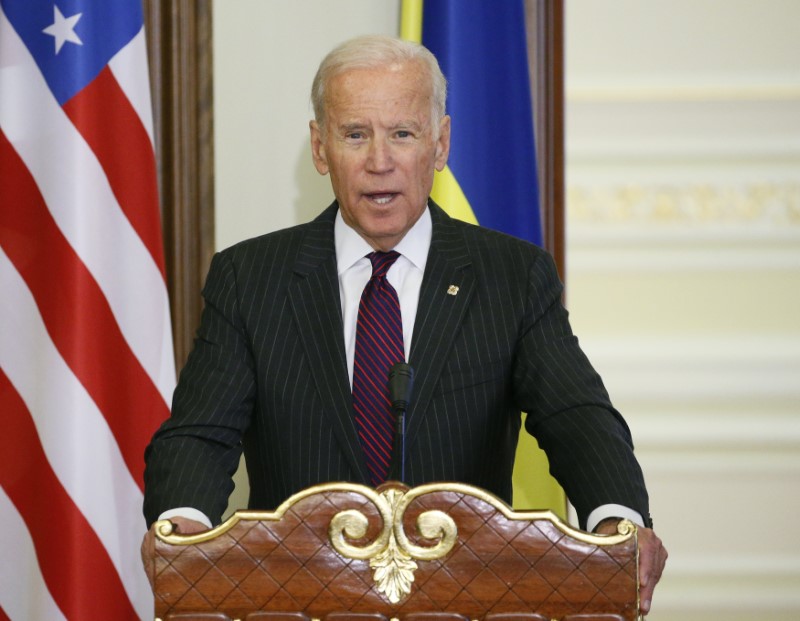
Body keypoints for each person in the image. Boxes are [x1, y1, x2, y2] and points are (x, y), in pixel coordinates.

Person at [142, 35, 666, 612]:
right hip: (296, 599)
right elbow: (201, 433)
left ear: (440, 144)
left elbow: (577, 416)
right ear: (320, 148)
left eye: (403, 134)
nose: (380, 161)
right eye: (355, 134)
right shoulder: (250, 277)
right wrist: (182, 526)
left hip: (465, 598)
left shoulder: (512, 276)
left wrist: (619, 522)